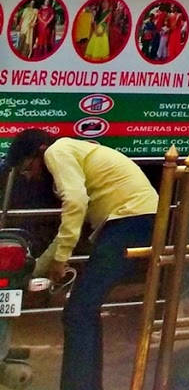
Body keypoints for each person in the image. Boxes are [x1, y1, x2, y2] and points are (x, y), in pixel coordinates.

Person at [6, 129, 159, 390]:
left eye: (27, 167)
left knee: (78, 312)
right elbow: (66, 229)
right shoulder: (74, 152)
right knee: (84, 311)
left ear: (40, 152)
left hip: (130, 221)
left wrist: (60, 259)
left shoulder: (57, 151)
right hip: (133, 220)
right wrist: (37, 269)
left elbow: (75, 204)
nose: (29, 176)